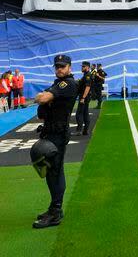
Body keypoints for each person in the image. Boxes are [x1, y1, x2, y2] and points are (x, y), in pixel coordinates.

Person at [32, 54, 78, 229]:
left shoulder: (68, 83)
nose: (59, 69)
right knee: (51, 171)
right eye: (57, 66)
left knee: (55, 171)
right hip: (50, 131)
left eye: (63, 66)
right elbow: (43, 106)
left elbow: (43, 98)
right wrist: (45, 98)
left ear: (69, 67)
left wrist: (42, 96)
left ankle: (56, 212)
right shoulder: (57, 83)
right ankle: (53, 208)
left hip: (58, 134)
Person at [75, 62, 92, 135]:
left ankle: (79, 131)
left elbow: (87, 87)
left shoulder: (88, 76)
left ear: (88, 67)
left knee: (79, 114)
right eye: (82, 66)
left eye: (83, 66)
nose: (82, 68)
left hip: (84, 97)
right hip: (85, 97)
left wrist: (83, 98)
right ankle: (85, 131)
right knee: (85, 113)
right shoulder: (86, 75)